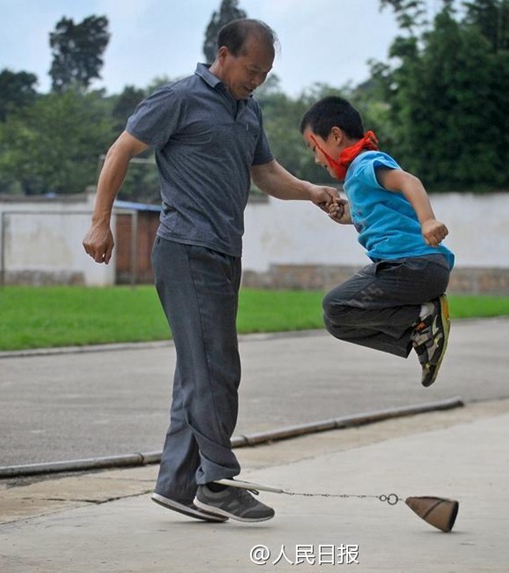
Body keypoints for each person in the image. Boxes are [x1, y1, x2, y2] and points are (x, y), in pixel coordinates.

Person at [82, 19, 339, 524]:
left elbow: (263, 172)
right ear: (224, 55)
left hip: (225, 251)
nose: (258, 79)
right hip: (186, 249)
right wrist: (100, 223)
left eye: (265, 73)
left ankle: (178, 486)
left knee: (196, 370)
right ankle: (216, 482)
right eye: (252, 69)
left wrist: (310, 190)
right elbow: (121, 150)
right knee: (217, 368)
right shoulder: (178, 98)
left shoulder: (249, 111)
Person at [300, 95, 454, 388]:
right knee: (336, 321)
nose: (316, 159)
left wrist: (428, 220)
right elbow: (376, 213)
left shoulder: (366, 162)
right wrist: (347, 214)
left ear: (335, 135)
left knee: (335, 305)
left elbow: (410, 182)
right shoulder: (357, 177)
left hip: (414, 265)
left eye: (313, 147)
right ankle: (421, 332)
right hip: (406, 268)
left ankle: (423, 317)